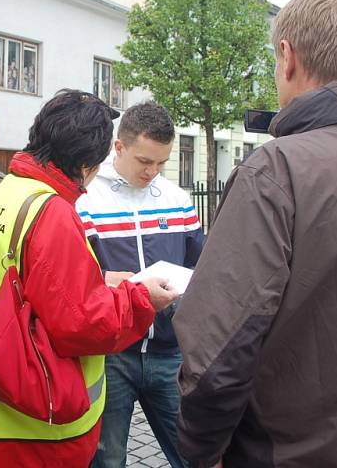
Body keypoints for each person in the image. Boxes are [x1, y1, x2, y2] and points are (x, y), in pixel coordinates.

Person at [174, 0, 337, 467]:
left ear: (287, 57)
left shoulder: (275, 168)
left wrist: (200, 451)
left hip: (281, 450)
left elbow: (221, 347)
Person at [0, 89, 180, 468]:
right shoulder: (52, 211)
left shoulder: (6, 192)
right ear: (85, 165)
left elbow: (31, 287)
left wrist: (98, 287)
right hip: (35, 425)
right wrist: (141, 298)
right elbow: (83, 325)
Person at [76, 101, 204, 468]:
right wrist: (106, 283)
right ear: (119, 147)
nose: (153, 172)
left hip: (168, 351)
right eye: (145, 161)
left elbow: (200, 265)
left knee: (192, 453)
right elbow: (72, 278)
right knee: (108, 458)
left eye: (162, 163)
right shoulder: (85, 201)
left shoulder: (177, 200)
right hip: (112, 353)